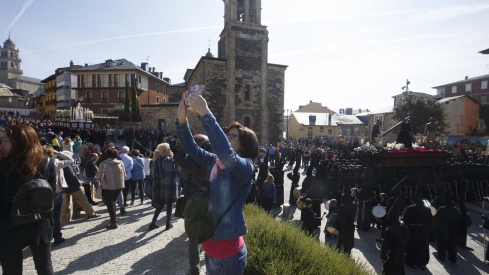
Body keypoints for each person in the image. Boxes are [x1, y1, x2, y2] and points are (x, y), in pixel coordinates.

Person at [177, 91, 259, 275]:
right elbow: (191, 148)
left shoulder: (245, 168)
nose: (228, 138)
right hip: (210, 245)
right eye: (227, 134)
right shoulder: (215, 161)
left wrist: (205, 113)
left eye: (234, 136)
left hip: (229, 254)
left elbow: (228, 155)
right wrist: (182, 121)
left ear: (244, 145)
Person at [0, 124, 54, 274]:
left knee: (11, 270)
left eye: (5, 140)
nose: (1, 144)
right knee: (44, 266)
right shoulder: (46, 162)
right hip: (39, 221)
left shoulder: (3, 165)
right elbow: (52, 193)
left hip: (8, 225)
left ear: (18, 143)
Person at [175, 134, 212, 275]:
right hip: (207, 200)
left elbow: (177, 159)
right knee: (210, 230)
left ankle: (194, 269)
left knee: (193, 237)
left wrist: (185, 146)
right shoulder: (208, 160)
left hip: (192, 201)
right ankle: (211, 264)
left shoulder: (189, 162)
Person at [60, 150, 100, 219]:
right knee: (83, 198)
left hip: (63, 186)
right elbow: (72, 177)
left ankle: (80, 207)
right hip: (70, 187)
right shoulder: (66, 165)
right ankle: (91, 213)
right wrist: (78, 183)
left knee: (83, 189)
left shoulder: (58, 163)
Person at [148, 143, 180, 231]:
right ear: (166, 151)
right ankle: (168, 223)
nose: (170, 150)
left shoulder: (154, 162)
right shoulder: (171, 161)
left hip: (159, 187)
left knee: (160, 205)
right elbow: (178, 172)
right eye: (169, 148)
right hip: (169, 185)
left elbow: (151, 176)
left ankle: (153, 222)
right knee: (169, 205)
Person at [403, 185, 433, 270]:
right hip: (423, 230)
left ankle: (412, 262)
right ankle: (422, 263)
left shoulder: (411, 208)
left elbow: (405, 219)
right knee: (423, 246)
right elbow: (430, 221)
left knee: (412, 246)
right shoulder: (427, 210)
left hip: (413, 230)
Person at [96, 147, 126, 229]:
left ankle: (113, 222)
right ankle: (113, 218)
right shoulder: (120, 163)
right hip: (119, 186)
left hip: (107, 186)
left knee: (110, 204)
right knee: (113, 202)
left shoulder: (103, 164)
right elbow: (124, 175)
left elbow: (98, 177)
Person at [380, 195, 407, 275]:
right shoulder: (403, 226)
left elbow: (385, 245)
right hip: (400, 254)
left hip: (391, 255)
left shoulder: (389, 230)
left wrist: (382, 256)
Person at [433, 189, 461, 263]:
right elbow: (459, 221)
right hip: (453, 231)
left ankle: (441, 255)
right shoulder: (456, 211)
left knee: (441, 244)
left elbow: (437, 221)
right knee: (452, 245)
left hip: (443, 231)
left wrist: (434, 229)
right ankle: (452, 257)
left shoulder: (441, 209)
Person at [336, 185, 356, 255]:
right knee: (348, 240)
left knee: (341, 239)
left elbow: (339, 216)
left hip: (342, 225)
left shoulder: (343, 206)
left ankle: (339, 251)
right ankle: (347, 253)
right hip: (350, 226)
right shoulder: (353, 206)